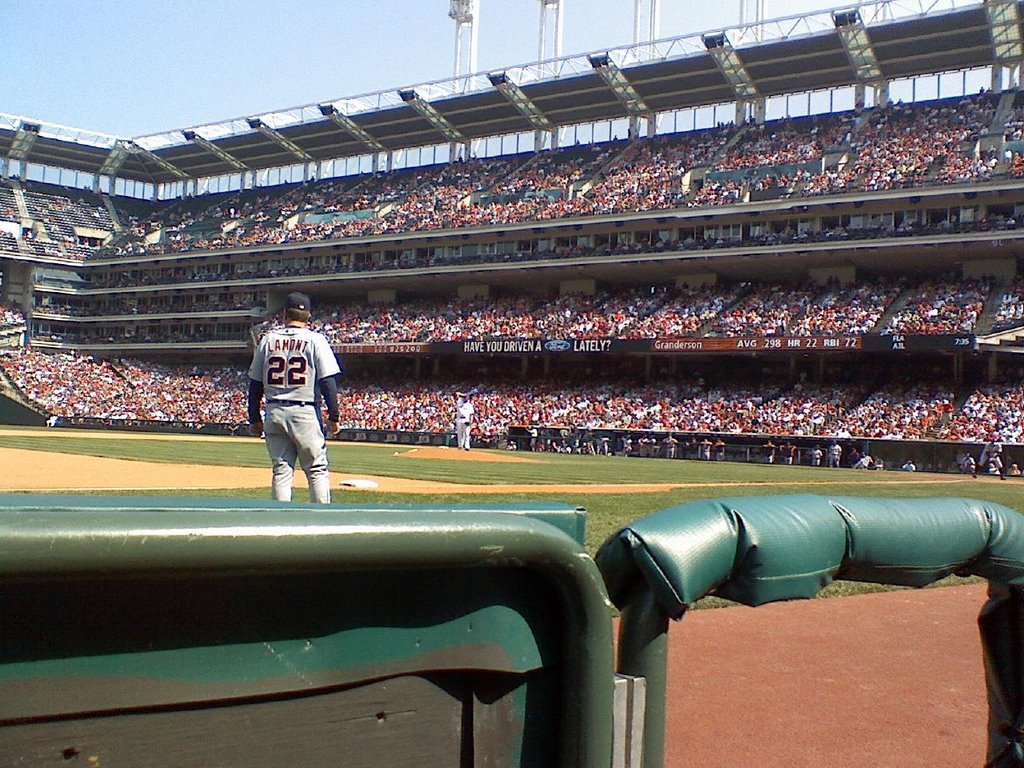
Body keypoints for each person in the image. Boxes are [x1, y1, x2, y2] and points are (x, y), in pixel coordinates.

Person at [247, 292, 342, 503]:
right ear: (308, 315)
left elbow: (255, 384)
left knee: (281, 471)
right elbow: (327, 382)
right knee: (316, 469)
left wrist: (254, 418)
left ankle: (280, 524)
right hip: (305, 410)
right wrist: (334, 416)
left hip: (274, 411)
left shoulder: (268, 340)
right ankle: (321, 521)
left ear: (284, 314)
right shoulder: (316, 340)